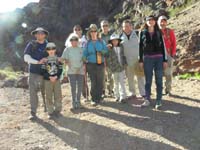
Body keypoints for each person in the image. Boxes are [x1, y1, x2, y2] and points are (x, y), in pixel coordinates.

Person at [139, 15, 168, 109]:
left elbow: (163, 46)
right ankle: (147, 99)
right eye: (149, 20)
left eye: (152, 20)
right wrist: (140, 60)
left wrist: (165, 60)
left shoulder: (159, 32)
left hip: (159, 58)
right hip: (147, 59)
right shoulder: (142, 33)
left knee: (159, 79)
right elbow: (140, 47)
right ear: (146, 22)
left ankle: (158, 100)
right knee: (148, 80)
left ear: (155, 22)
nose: (151, 21)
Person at [24, 27, 48, 120]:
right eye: (38, 33)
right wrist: (38, 62)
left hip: (45, 72)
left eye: (42, 33)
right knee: (32, 92)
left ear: (45, 35)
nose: (40, 35)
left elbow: (54, 56)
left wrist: (47, 59)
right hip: (33, 72)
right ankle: (33, 112)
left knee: (45, 91)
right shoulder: (31, 44)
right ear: (35, 35)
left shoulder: (48, 45)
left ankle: (48, 107)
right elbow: (26, 57)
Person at [83, 24, 108, 106]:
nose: (93, 33)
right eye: (92, 31)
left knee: (100, 81)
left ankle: (99, 97)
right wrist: (84, 59)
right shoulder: (87, 43)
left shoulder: (101, 41)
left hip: (100, 63)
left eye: (95, 31)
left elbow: (106, 51)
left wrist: (101, 52)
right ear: (89, 33)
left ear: (97, 32)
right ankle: (94, 98)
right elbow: (84, 53)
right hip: (90, 64)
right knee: (93, 81)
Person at [120, 19, 146, 100]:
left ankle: (143, 92)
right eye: (124, 26)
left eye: (128, 26)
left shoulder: (138, 34)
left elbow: (143, 46)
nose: (126, 28)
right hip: (127, 61)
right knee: (130, 78)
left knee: (140, 77)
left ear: (131, 26)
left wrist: (142, 58)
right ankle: (132, 93)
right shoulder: (120, 37)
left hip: (137, 60)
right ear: (122, 28)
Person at [65, 25, 89, 101]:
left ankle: (86, 96)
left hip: (84, 61)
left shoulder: (85, 39)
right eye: (75, 29)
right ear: (73, 31)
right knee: (74, 82)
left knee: (83, 80)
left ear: (81, 30)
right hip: (73, 63)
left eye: (79, 29)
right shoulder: (71, 39)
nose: (77, 30)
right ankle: (75, 98)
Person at [62, 35, 84, 110]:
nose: (74, 41)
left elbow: (84, 60)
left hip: (80, 70)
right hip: (71, 71)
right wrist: (67, 64)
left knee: (80, 87)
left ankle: (78, 101)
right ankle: (74, 102)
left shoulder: (81, 49)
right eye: (72, 40)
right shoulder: (67, 49)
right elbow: (64, 59)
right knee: (73, 87)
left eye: (75, 40)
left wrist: (81, 66)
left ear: (78, 41)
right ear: (70, 41)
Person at [41, 42, 63, 119]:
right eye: (49, 49)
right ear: (47, 50)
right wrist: (49, 77)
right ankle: (50, 112)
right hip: (47, 80)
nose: (51, 50)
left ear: (55, 50)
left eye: (53, 48)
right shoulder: (45, 60)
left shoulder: (58, 59)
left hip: (57, 80)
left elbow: (60, 69)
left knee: (58, 95)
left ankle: (58, 111)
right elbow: (43, 71)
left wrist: (56, 76)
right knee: (48, 96)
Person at [157, 15, 176, 96]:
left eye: (164, 21)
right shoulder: (155, 32)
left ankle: (168, 90)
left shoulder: (170, 31)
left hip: (168, 54)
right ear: (158, 22)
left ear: (166, 22)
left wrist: (172, 55)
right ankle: (159, 90)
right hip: (157, 55)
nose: (162, 23)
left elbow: (174, 43)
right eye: (161, 21)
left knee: (168, 74)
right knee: (158, 74)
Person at [107, 34, 127, 102]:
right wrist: (111, 68)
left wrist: (124, 64)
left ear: (118, 41)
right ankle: (117, 96)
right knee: (116, 83)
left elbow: (123, 56)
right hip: (114, 68)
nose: (115, 42)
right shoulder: (110, 49)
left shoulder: (121, 47)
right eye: (113, 41)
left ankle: (122, 96)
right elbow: (109, 60)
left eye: (116, 40)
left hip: (121, 67)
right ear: (111, 42)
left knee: (122, 82)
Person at [100, 20, 114, 97]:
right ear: (101, 27)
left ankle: (111, 90)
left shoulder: (112, 35)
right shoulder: (99, 36)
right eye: (103, 26)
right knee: (103, 75)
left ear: (108, 26)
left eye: (106, 25)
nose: (105, 27)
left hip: (110, 57)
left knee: (110, 75)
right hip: (102, 58)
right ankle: (103, 91)